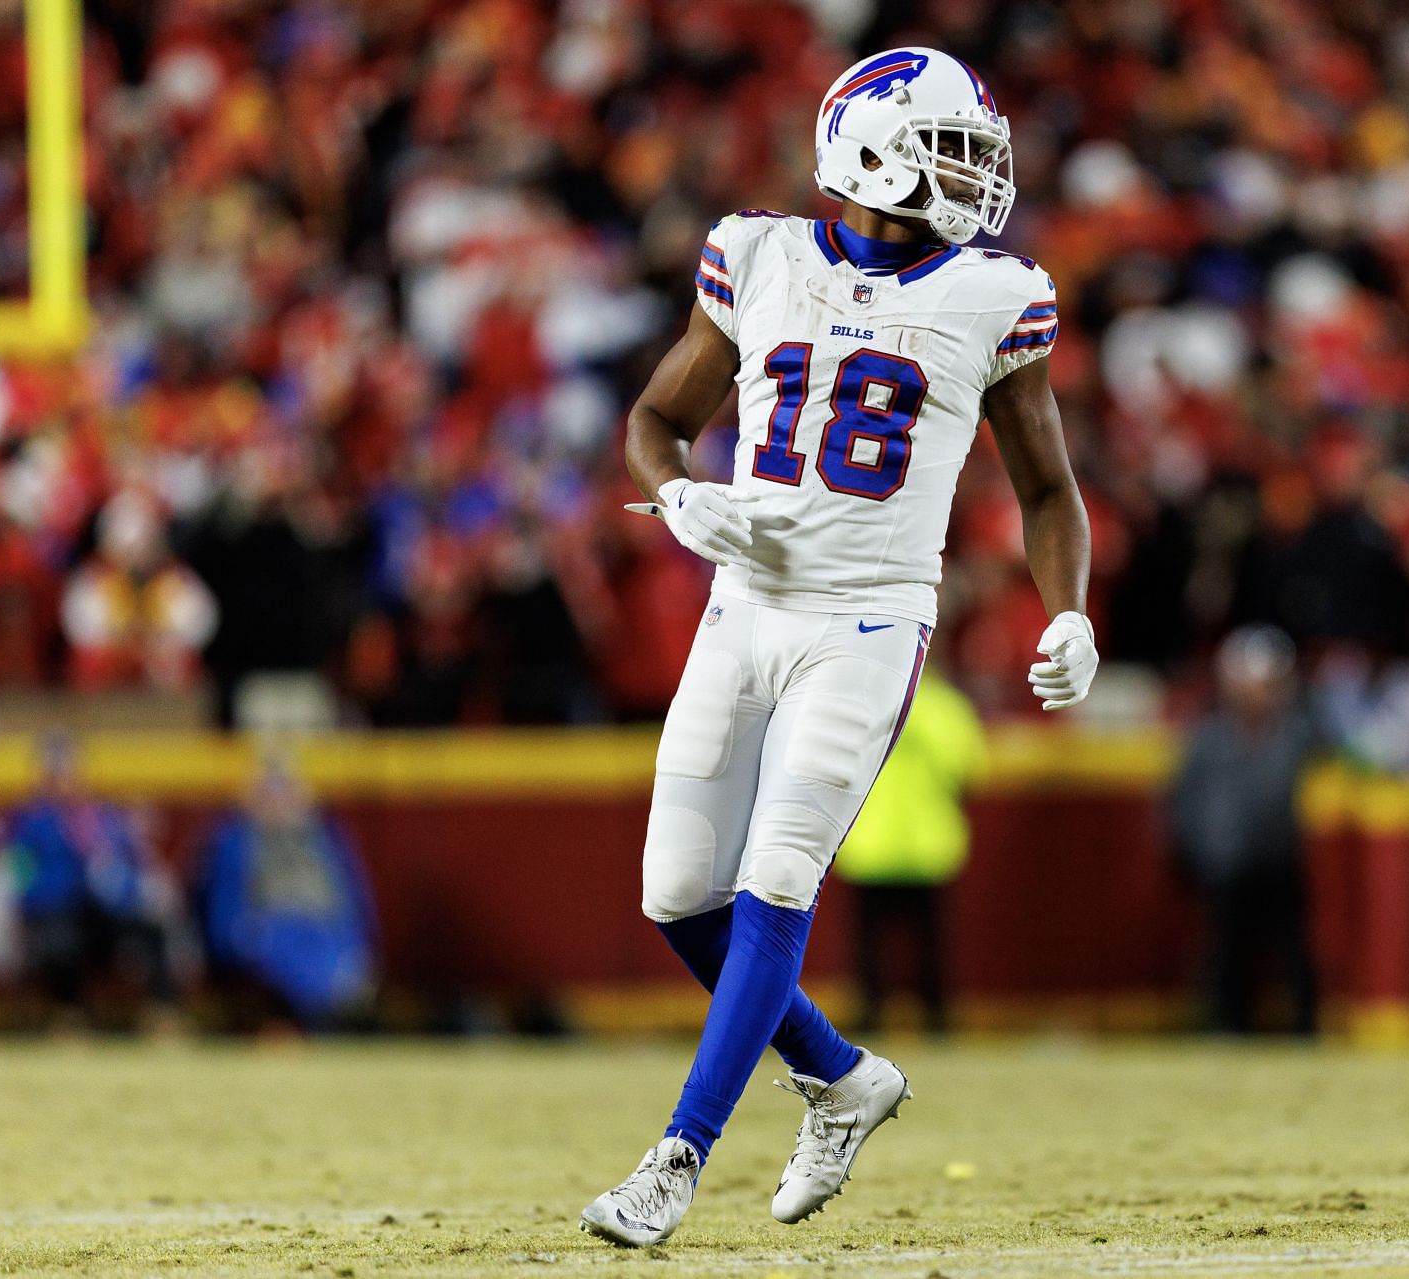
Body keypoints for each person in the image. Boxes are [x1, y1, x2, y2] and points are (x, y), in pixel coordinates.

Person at [581, 49, 1098, 1247]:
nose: (976, 176)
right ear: (866, 148)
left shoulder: (993, 294)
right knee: (676, 897)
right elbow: (656, 420)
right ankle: (844, 1079)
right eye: (951, 148)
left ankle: (676, 1158)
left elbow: (1051, 490)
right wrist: (677, 496)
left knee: (779, 876)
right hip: (743, 601)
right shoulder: (758, 255)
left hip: (869, 615)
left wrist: (1067, 606)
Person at [1169, 626, 1319, 1036]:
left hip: (1281, 859)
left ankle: (1303, 1029)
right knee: (1225, 950)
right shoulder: (1210, 737)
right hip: (1225, 863)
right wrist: (1189, 851)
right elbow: (1183, 799)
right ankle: (1225, 1025)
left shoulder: (1299, 733)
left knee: (1294, 950)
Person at [832, 663, 985, 1034]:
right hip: (925, 842)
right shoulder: (947, 707)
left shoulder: (861, 701)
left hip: (872, 840)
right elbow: (967, 770)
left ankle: (871, 1017)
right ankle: (936, 1019)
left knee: (869, 942)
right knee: (928, 940)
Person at [4, 733, 180, 1028]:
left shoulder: (105, 816)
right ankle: (69, 1011)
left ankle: (163, 1012)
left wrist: (136, 889)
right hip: (60, 911)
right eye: (58, 771)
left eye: (72, 769)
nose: (66, 779)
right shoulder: (27, 821)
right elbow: (19, 882)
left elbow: (133, 863)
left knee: (152, 927)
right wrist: (73, 885)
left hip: (107, 913)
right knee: (61, 940)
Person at [196, 763, 378, 1032]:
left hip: (324, 931)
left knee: (338, 966)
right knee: (285, 956)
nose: (280, 805)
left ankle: (322, 1022)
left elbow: (355, 904)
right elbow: (223, 907)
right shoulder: (235, 840)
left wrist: (362, 950)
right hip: (267, 930)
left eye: (287, 795)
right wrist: (236, 937)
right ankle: (304, 1024)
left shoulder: (326, 839)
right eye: (269, 797)